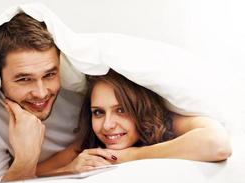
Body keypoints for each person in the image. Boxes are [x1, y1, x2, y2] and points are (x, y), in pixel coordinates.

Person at [0, 12, 94, 183]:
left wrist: (66, 169)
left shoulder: (80, 90)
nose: (41, 93)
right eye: (24, 79)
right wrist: (26, 159)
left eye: (49, 74)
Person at [36, 69, 232, 175]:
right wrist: (68, 169)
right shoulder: (90, 145)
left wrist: (133, 156)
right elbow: (32, 174)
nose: (107, 125)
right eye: (98, 112)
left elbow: (217, 144)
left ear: (141, 108)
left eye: (121, 110)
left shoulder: (167, 122)